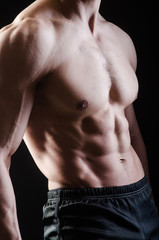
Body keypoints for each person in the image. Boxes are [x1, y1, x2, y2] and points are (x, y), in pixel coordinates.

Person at [0, 0, 159, 239]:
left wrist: (150, 203)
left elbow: (132, 135)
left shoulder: (118, 38)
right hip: (85, 215)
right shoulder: (30, 36)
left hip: (142, 204)